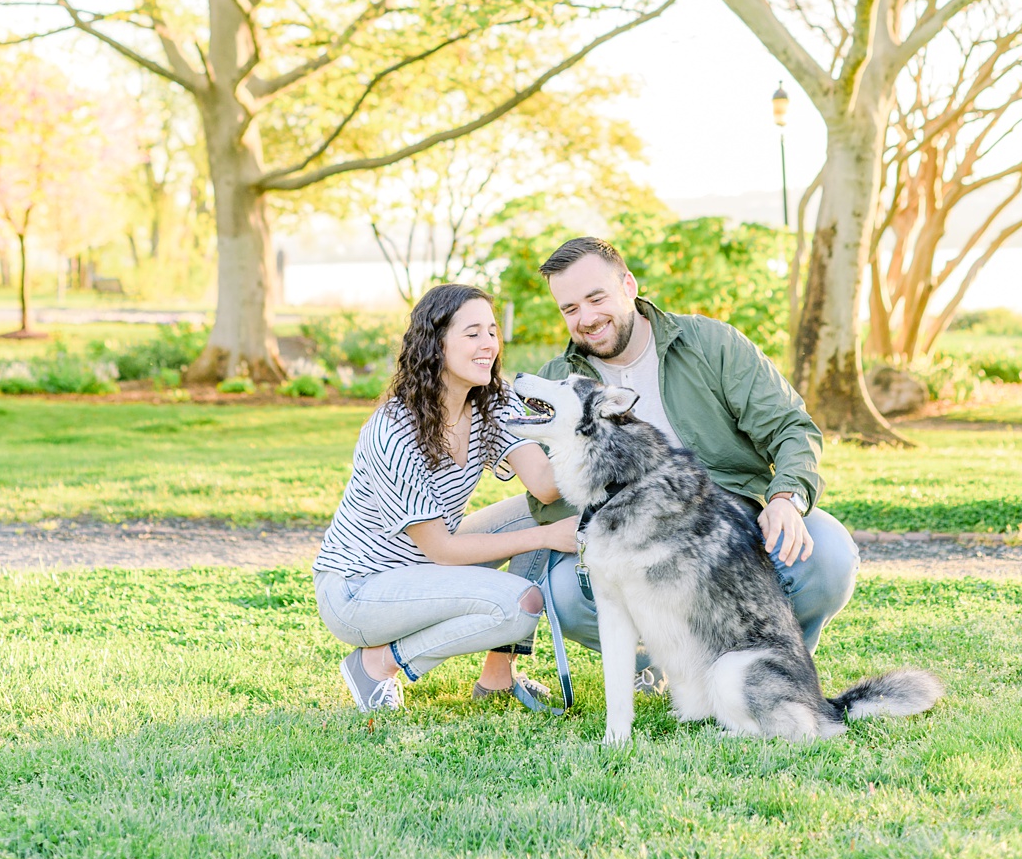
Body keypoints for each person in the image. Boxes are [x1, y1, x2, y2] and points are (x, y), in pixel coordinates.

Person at [480, 234, 858, 693]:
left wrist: (785, 499)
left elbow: (791, 428)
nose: (586, 319)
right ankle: (671, 665)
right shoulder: (560, 381)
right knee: (565, 595)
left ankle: (773, 670)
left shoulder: (711, 343)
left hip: (730, 534)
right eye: (570, 308)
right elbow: (544, 491)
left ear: (629, 284)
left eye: (596, 298)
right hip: (635, 551)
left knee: (829, 553)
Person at [314, 283, 580, 714]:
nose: (489, 345)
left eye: (492, 331)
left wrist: (591, 429)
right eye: (472, 333)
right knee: (520, 605)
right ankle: (377, 663)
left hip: (428, 566)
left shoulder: (493, 402)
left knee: (539, 514)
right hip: (359, 591)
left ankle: (497, 677)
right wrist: (547, 538)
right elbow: (442, 547)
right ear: (435, 344)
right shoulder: (393, 431)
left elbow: (547, 487)